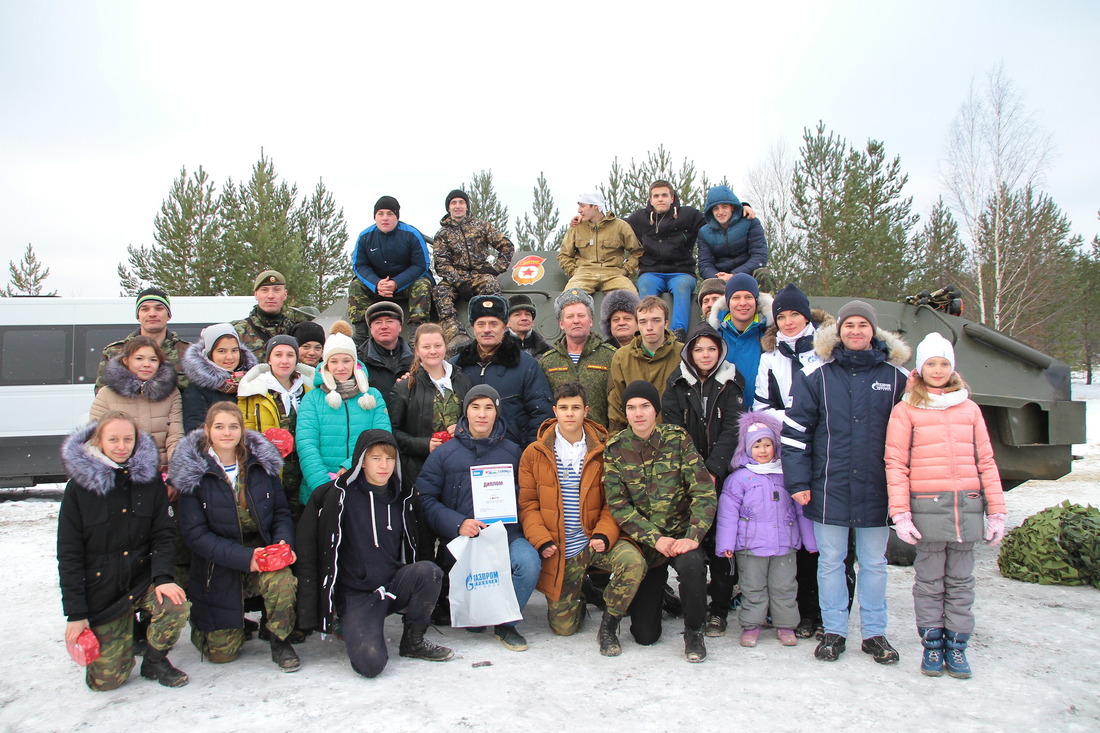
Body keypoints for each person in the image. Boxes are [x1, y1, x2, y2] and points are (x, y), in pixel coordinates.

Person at [781, 300, 910, 664]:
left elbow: (914, 435)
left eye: (862, 325)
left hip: (877, 489)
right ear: (838, 332)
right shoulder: (817, 376)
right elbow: (794, 436)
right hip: (828, 487)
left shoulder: (896, 379)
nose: (855, 331)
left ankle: (874, 633)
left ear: (874, 332)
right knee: (831, 562)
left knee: (874, 563)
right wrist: (798, 482)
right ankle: (834, 631)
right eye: (848, 325)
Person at [885, 332, 1007, 679]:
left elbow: (986, 460)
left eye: (943, 363)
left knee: (961, 581)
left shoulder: (969, 408)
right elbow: (896, 463)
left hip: (966, 505)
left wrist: (995, 509)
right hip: (927, 506)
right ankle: (932, 645)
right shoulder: (906, 409)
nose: (937, 370)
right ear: (920, 368)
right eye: (931, 364)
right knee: (929, 581)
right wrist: (901, 512)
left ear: (952, 368)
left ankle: (957, 644)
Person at [296, 430, 454, 678]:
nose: (384, 466)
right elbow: (310, 552)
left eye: (390, 459)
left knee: (430, 571)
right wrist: (316, 610)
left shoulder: (404, 496)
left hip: (392, 583)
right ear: (361, 460)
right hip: (356, 594)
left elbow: (420, 546)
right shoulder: (337, 495)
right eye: (376, 458)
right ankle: (355, 625)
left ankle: (413, 641)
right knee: (370, 665)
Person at [57, 412, 190, 690]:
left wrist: (163, 578)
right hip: (102, 591)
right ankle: (120, 641)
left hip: (141, 580)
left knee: (175, 605)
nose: (121, 446)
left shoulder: (149, 480)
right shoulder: (78, 489)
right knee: (106, 682)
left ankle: (154, 660)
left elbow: (163, 535)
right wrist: (76, 613)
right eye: (113, 439)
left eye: (127, 439)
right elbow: (69, 555)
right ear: (99, 441)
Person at [170, 402, 300, 671]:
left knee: (283, 581)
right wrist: (245, 558)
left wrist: (283, 544)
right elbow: (195, 535)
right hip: (218, 561)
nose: (226, 433)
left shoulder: (260, 464)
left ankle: (280, 638)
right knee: (221, 654)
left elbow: (280, 512)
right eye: (219, 427)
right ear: (207, 430)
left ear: (242, 430)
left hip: (260, 550)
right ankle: (218, 625)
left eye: (233, 426)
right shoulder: (194, 472)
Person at [519, 383, 646, 656]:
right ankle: (580, 590)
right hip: (561, 547)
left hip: (594, 539)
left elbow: (615, 501)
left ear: (586, 411)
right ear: (555, 411)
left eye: (576, 408)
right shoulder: (534, 453)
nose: (569, 414)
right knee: (564, 628)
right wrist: (541, 540)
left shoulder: (605, 450)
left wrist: (602, 534)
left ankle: (610, 623)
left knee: (633, 562)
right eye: (563, 408)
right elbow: (528, 505)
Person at [416, 385, 541, 652]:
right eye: (475, 407)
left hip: (507, 534)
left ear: (497, 412)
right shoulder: (443, 455)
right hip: (464, 539)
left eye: (488, 408)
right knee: (473, 623)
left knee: (528, 562)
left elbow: (529, 495)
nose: (482, 415)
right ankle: (479, 612)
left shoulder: (514, 452)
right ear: (466, 412)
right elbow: (424, 499)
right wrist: (457, 523)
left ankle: (506, 623)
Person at [603, 381, 716, 662]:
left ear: (656, 410)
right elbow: (618, 505)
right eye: (631, 407)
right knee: (644, 635)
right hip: (647, 543)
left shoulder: (678, 440)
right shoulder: (615, 448)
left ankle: (694, 631)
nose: (638, 413)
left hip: (680, 536)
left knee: (692, 566)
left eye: (645, 406)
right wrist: (655, 539)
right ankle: (661, 598)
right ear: (625, 412)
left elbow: (703, 491)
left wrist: (693, 535)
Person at [752, 282, 835, 639]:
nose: (788, 322)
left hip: (826, 449)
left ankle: (824, 611)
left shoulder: (827, 351)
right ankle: (798, 609)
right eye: (782, 316)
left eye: (795, 315)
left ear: (806, 315)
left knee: (823, 536)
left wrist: (803, 417)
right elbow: (761, 408)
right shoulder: (770, 358)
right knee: (795, 531)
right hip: (787, 452)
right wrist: (797, 418)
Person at [662, 323, 745, 636]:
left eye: (711, 348)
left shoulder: (732, 382)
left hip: (724, 477)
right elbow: (674, 431)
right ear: (689, 353)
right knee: (693, 540)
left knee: (722, 544)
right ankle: (689, 598)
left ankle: (719, 609)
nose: (705, 354)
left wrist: (714, 469)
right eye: (699, 349)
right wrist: (697, 473)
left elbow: (732, 429)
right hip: (688, 476)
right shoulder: (676, 383)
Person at [387, 323, 473, 582]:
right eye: (426, 346)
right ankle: (423, 595)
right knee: (422, 541)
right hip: (420, 475)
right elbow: (393, 432)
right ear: (417, 350)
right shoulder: (405, 387)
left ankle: (447, 598)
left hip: (456, 475)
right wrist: (424, 444)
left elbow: (474, 418)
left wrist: (461, 429)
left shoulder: (461, 380)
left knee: (454, 540)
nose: (433, 351)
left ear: (446, 347)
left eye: (438, 345)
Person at [715, 412, 809, 648]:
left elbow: (800, 511)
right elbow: (728, 515)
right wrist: (725, 544)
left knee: (785, 587)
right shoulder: (739, 479)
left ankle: (786, 625)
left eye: (767, 445)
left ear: (775, 447)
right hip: (750, 547)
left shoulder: (786, 476)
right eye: (757, 445)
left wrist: (810, 541)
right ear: (747, 449)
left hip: (783, 545)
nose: (763, 450)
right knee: (752, 587)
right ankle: (751, 625)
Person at [296, 321, 390, 505]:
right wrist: (322, 485)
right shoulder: (313, 399)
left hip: (363, 482)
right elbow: (306, 445)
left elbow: (381, 437)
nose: (341, 367)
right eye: (334, 361)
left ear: (355, 363)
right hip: (321, 489)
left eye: (346, 361)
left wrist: (350, 465)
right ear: (326, 364)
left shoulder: (372, 396)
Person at [451, 295, 553, 446]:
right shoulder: (456, 367)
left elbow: (542, 413)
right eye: (481, 324)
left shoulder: (526, 365)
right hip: (465, 453)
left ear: (504, 326)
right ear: (473, 328)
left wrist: (530, 453)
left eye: (493, 324)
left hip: (513, 454)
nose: (487, 330)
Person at [237, 335, 315, 519]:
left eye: (290, 355)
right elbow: (245, 429)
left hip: (302, 469)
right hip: (268, 469)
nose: (285, 360)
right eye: (278, 355)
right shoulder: (254, 391)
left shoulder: (309, 390)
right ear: (269, 359)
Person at [347, 195, 434, 348]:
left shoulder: (412, 234)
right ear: (375, 216)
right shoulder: (365, 237)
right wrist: (376, 284)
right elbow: (359, 265)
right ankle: (361, 333)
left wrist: (396, 283)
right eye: (380, 214)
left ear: (397, 216)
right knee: (355, 285)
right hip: (378, 285)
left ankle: (416, 330)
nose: (385, 218)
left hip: (407, 284)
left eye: (390, 214)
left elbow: (421, 265)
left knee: (423, 284)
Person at [433, 189, 515, 343]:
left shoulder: (482, 226)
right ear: (448, 208)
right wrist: (459, 283)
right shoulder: (442, 234)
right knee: (440, 292)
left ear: (467, 206)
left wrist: (495, 268)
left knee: (491, 286)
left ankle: (494, 329)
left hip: (480, 274)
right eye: (454, 203)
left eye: (461, 202)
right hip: (455, 277)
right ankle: (455, 334)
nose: (458, 206)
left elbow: (506, 246)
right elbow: (441, 263)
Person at [90, 336, 183, 472]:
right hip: (118, 472)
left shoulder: (172, 393)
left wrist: (175, 473)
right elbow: (95, 438)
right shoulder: (106, 393)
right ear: (126, 360)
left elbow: (175, 438)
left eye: (153, 360)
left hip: (160, 470)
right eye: (139, 358)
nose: (147, 364)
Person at [539, 289, 618, 428]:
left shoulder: (611, 357)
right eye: (570, 317)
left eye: (581, 315)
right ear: (561, 324)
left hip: (601, 440)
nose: (576, 321)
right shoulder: (547, 362)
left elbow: (618, 405)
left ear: (590, 321)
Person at [606, 296, 682, 433]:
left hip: (674, 440)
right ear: (637, 324)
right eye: (643, 321)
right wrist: (617, 442)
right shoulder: (622, 357)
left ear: (666, 323)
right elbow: (616, 404)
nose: (649, 327)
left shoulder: (683, 354)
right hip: (635, 441)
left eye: (656, 320)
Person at [96, 287, 191, 392]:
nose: (152, 314)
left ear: (169, 315)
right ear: (138, 316)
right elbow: (102, 394)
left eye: (159, 308)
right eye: (145, 309)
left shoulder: (189, 352)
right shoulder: (115, 352)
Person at [558, 192, 641, 294]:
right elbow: (564, 255)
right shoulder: (577, 227)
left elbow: (637, 252)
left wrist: (625, 270)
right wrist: (574, 271)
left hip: (614, 275)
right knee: (569, 299)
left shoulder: (620, 226)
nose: (579, 210)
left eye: (583, 206)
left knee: (631, 299)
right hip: (583, 275)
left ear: (595, 206)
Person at [181, 323, 257, 432]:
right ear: (210, 354)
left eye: (234, 350)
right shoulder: (198, 389)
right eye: (222, 351)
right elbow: (194, 430)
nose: (230, 357)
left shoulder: (254, 382)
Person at [710, 273, 768, 410]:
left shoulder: (769, 335)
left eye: (748, 297)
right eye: (736, 297)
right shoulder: (714, 335)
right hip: (722, 419)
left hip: (760, 418)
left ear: (756, 301)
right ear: (728, 302)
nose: (743, 303)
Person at [696, 185, 768, 282]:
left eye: (724, 207)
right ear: (711, 211)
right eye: (716, 209)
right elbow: (705, 264)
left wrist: (735, 274)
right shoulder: (704, 232)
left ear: (732, 207)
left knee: (764, 274)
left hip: (749, 274)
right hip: (720, 278)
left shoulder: (750, 222)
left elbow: (759, 256)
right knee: (708, 286)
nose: (720, 212)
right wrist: (718, 277)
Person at [233, 269, 308, 359]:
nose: (271, 296)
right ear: (256, 294)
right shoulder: (238, 331)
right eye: (264, 290)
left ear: (285, 294)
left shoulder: (296, 330)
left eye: (276, 290)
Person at [356, 301, 414, 398]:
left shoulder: (416, 358)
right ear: (371, 329)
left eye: (389, 321)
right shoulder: (359, 361)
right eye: (378, 322)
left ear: (400, 326)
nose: (384, 327)